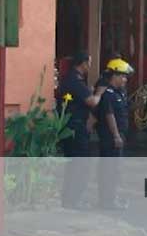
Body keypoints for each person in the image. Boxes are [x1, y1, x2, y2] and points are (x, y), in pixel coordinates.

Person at [57, 51, 106, 209]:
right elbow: (92, 101)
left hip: (75, 125)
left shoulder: (74, 79)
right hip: (75, 128)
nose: (90, 66)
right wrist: (99, 92)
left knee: (74, 165)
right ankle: (73, 201)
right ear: (83, 63)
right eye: (89, 62)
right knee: (80, 165)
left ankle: (70, 200)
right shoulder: (74, 80)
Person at [96, 58, 135, 210]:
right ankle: (107, 202)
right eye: (123, 76)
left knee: (115, 170)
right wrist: (116, 135)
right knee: (109, 170)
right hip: (110, 137)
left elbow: (125, 109)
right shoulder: (108, 93)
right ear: (115, 76)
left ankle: (111, 199)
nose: (125, 79)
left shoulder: (120, 92)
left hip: (119, 135)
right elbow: (109, 115)